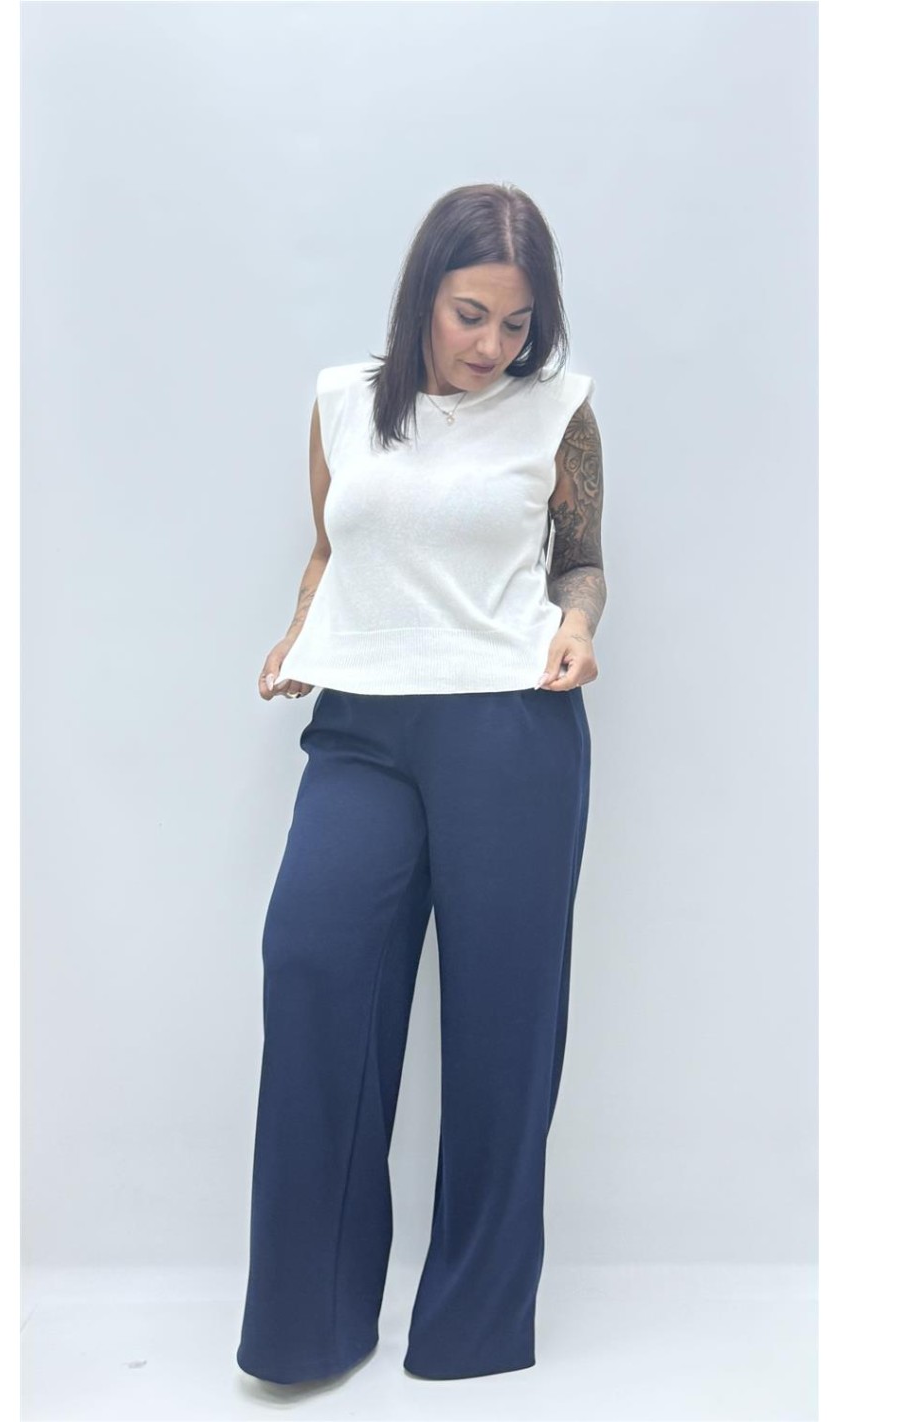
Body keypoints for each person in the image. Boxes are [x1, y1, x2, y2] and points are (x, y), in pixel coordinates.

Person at [236, 182, 606, 1386]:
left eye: (515, 321)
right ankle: (305, 1326)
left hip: (510, 722)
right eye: (469, 315)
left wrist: (576, 628)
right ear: (422, 298)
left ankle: (472, 1328)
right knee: (312, 968)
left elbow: (580, 561)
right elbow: (332, 544)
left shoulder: (558, 408)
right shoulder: (342, 402)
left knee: (503, 1024)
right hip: (360, 728)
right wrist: (299, 632)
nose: (491, 345)